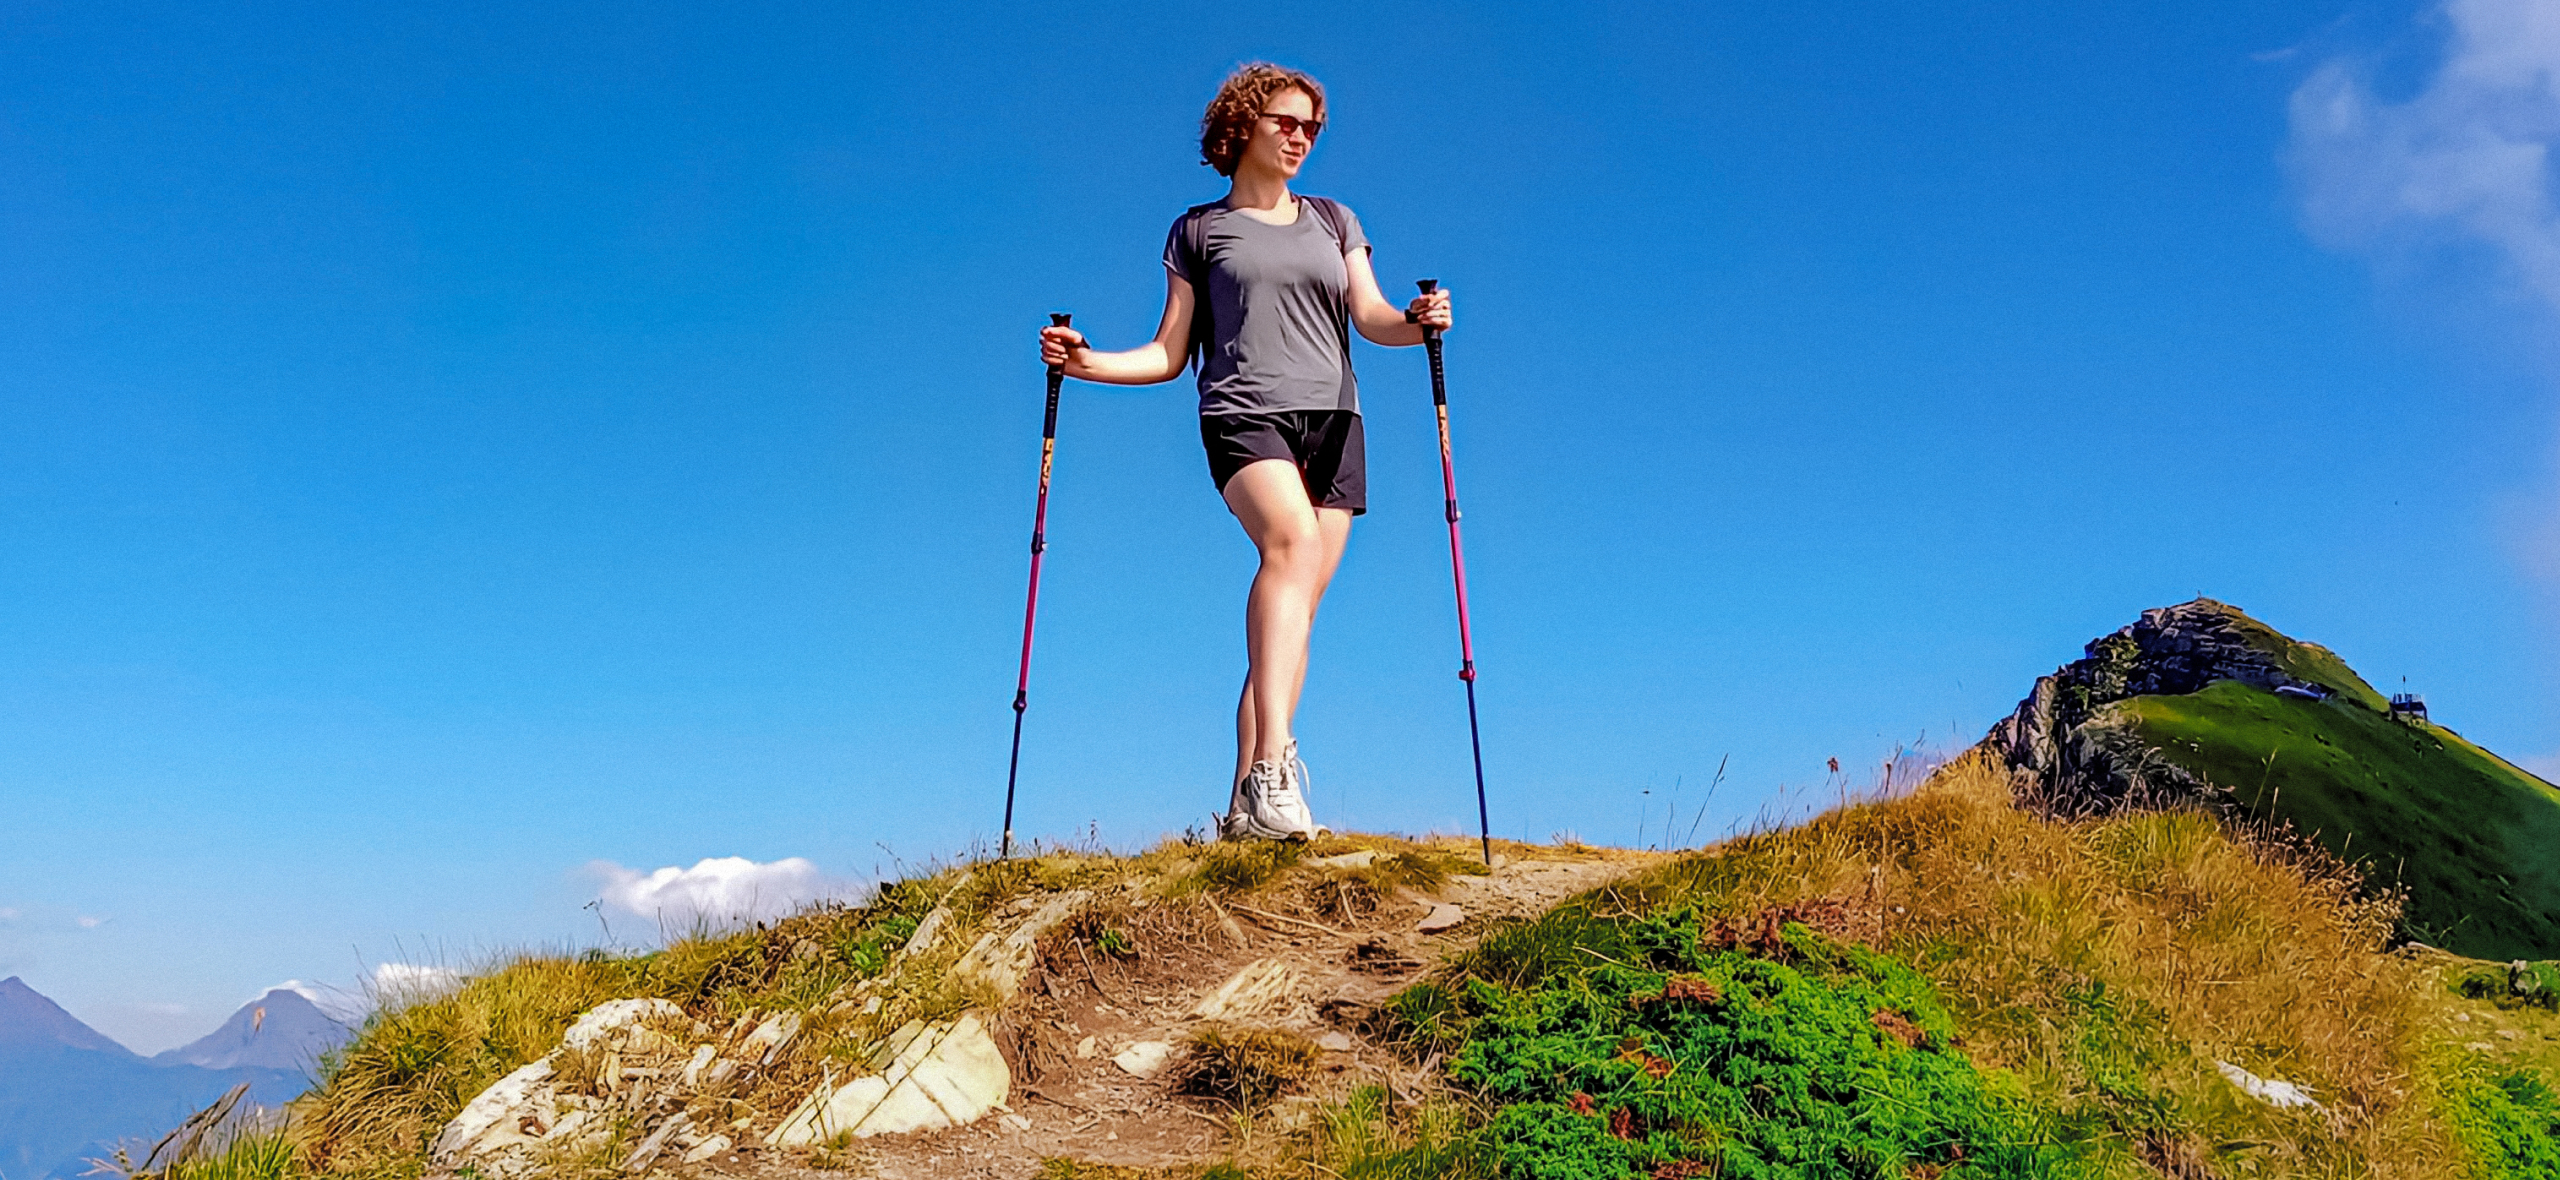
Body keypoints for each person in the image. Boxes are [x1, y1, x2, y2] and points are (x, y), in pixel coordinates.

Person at [1038, 63, 1453, 841]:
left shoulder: (1334, 220)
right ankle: (1274, 772)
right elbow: (1167, 354)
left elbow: (1372, 316)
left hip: (1335, 420)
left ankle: (1244, 811)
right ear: (1244, 126)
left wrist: (1419, 317)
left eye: (1311, 128)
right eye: (1285, 123)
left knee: (1294, 614)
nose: (1300, 137)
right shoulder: (1199, 231)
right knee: (1288, 548)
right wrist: (1084, 361)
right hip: (1242, 413)